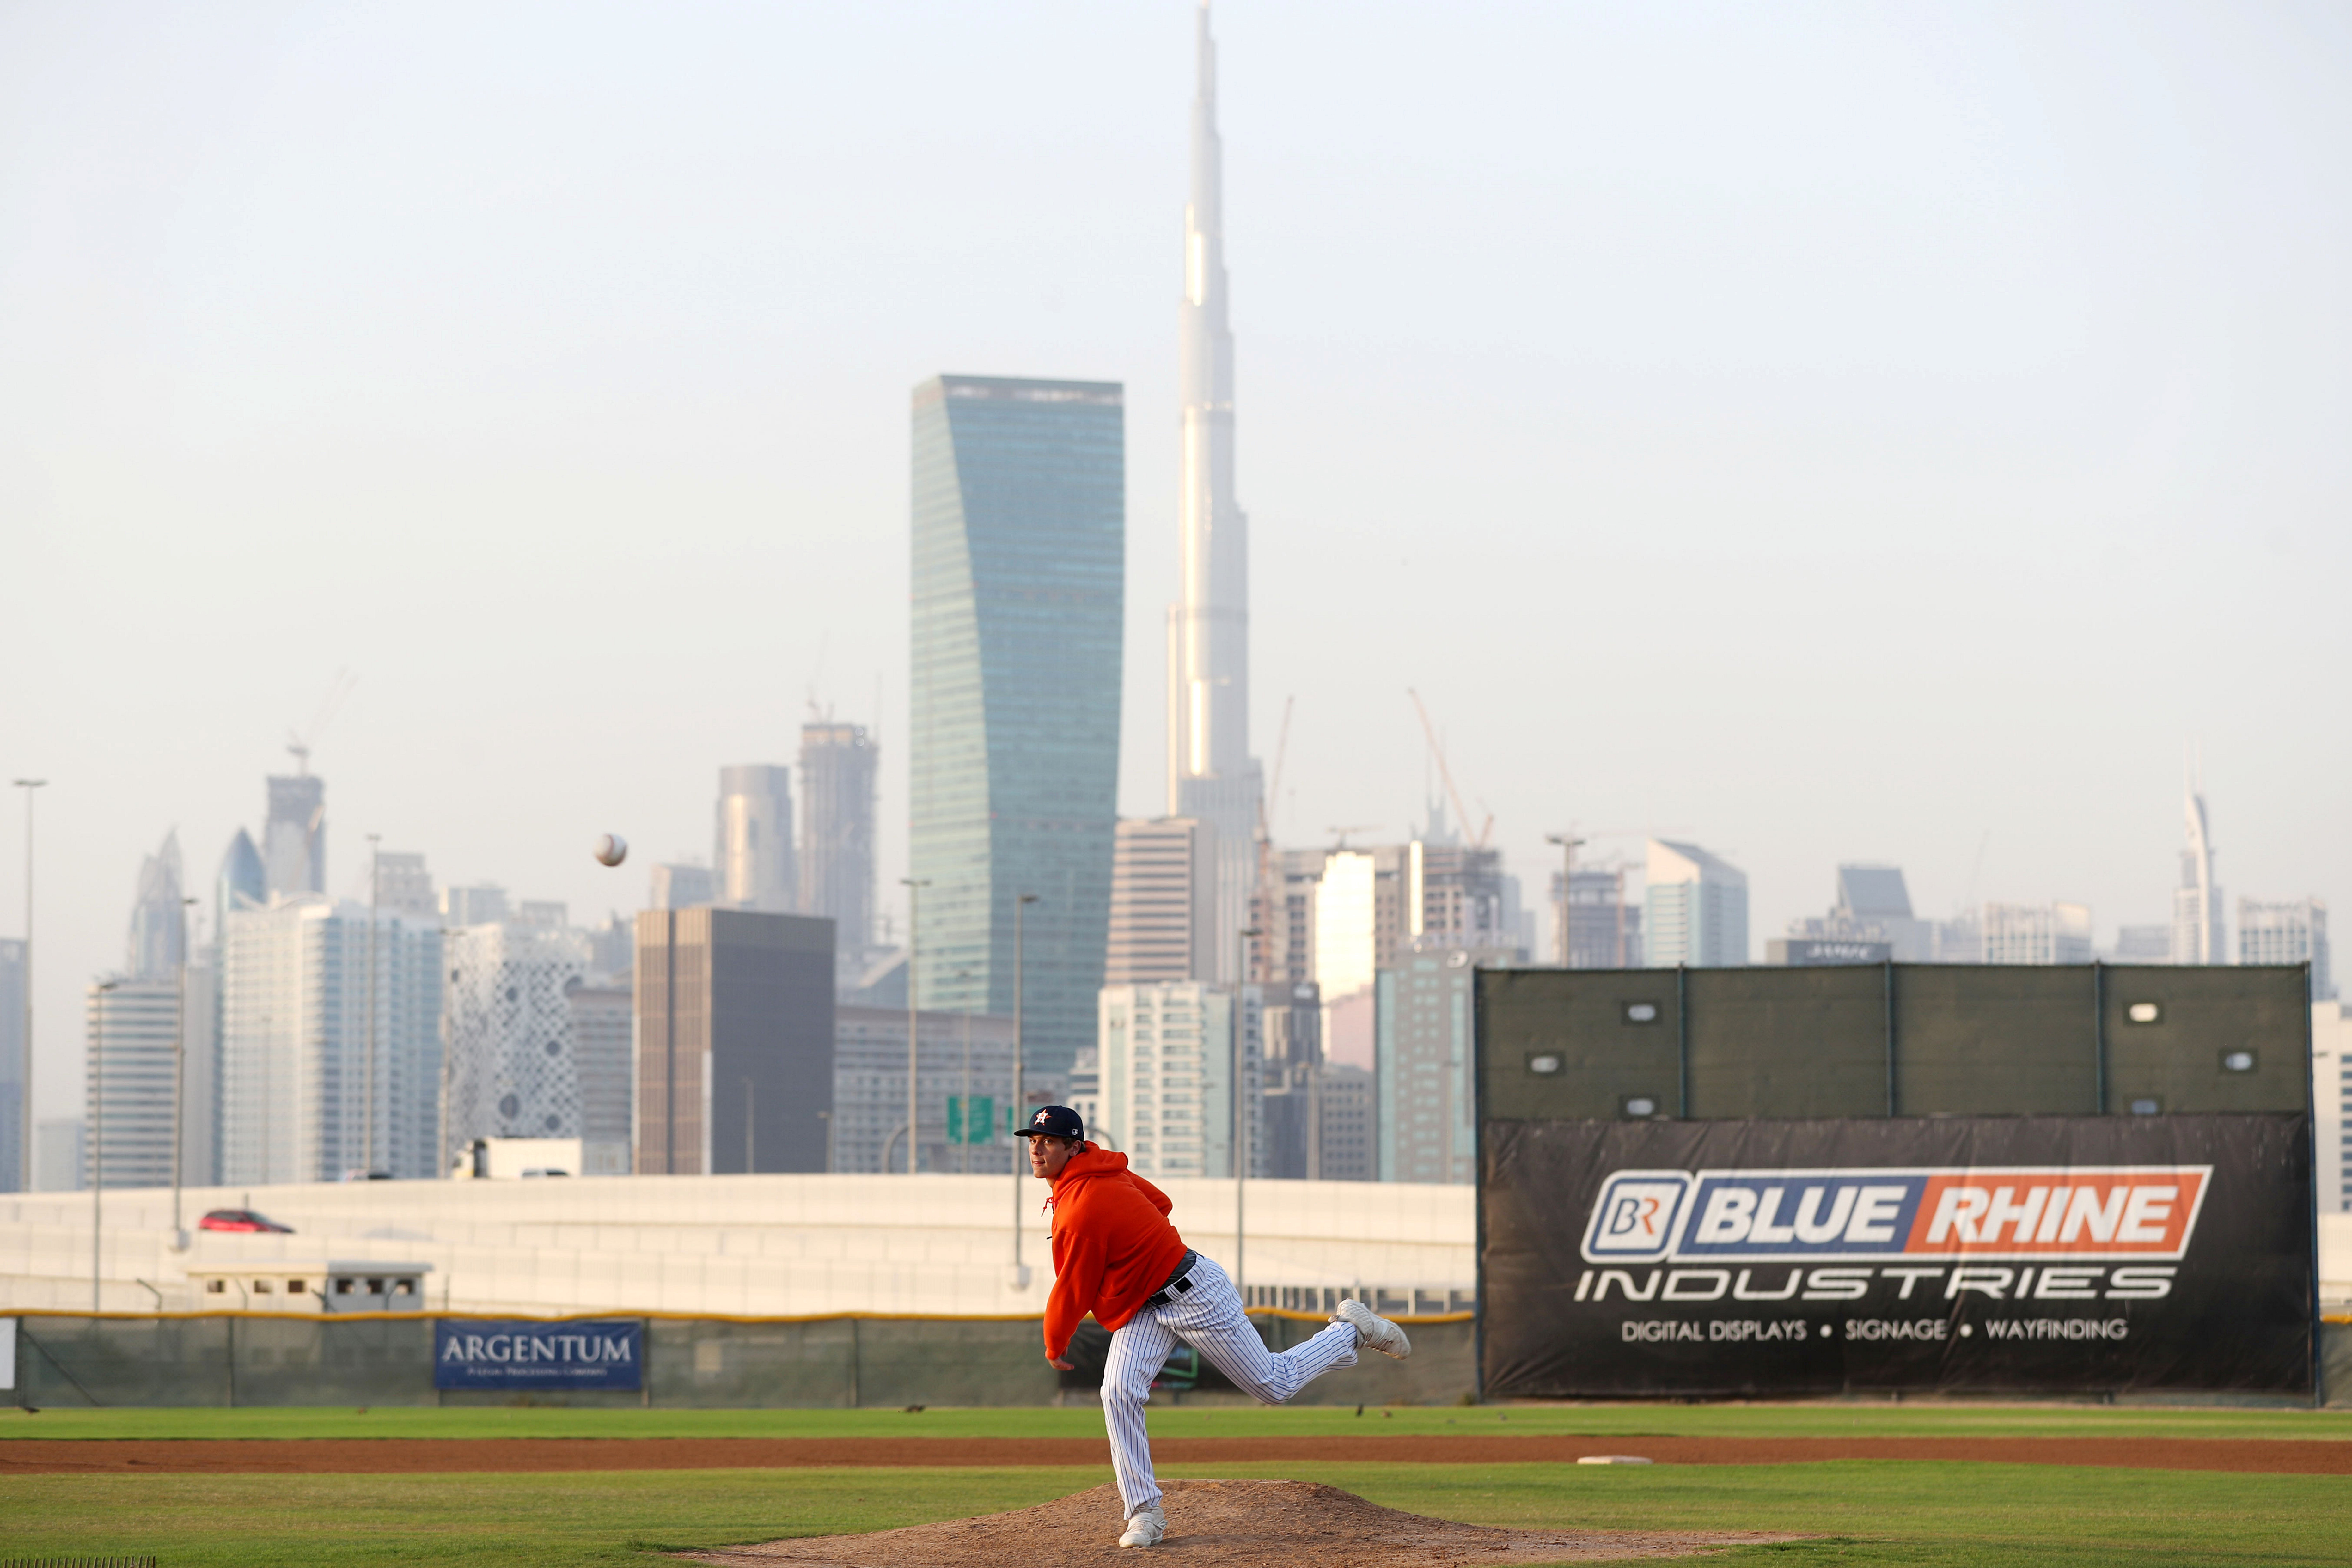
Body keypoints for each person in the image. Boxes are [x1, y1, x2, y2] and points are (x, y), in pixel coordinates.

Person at [1017, 1104, 1411, 1549]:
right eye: (1032, 1140)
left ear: (1073, 1146)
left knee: (1274, 1384)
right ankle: (1144, 1511)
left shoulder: (1082, 1205)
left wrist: (1055, 1340)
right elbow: (1161, 1203)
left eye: (1047, 1140)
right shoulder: (1101, 1172)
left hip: (1194, 1292)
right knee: (1118, 1392)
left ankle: (1350, 1330)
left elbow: (1074, 1285)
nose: (1036, 1148)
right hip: (1145, 1305)